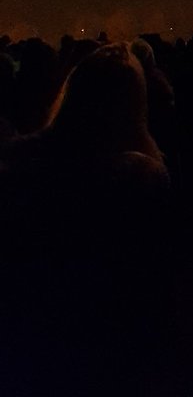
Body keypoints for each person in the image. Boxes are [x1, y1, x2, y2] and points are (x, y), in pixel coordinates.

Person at [0, 43, 171, 395]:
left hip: (30, 342)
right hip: (107, 345)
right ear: (134, 103)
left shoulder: (21, 161)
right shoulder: (140, 177)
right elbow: (148, 278)